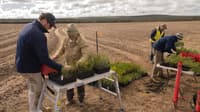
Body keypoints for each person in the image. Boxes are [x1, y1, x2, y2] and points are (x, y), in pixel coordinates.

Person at [15, 12, 67, 112]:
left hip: (22, 65)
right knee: (37, 92)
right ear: (44, 21)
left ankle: (37, 107)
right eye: (50, 24)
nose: (51, 27)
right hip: (30, 68)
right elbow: (44, 59)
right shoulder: (38, 35)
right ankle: (35, 110)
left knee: (34, 89)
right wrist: (60, 68)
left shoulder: (28, 26)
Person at [60, 24, 88, 106]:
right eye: (69, 35)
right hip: (68, 66)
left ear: (76, 33)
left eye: (72, 35)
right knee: (68, 83)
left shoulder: (82, 41)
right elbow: (61, 51)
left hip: (78, 66)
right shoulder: (66, 40)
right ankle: (70, 99)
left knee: (79, 84)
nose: (70, 37)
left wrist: (79, 63)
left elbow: (85, 55)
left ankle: (81, 100)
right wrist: (55, 56)